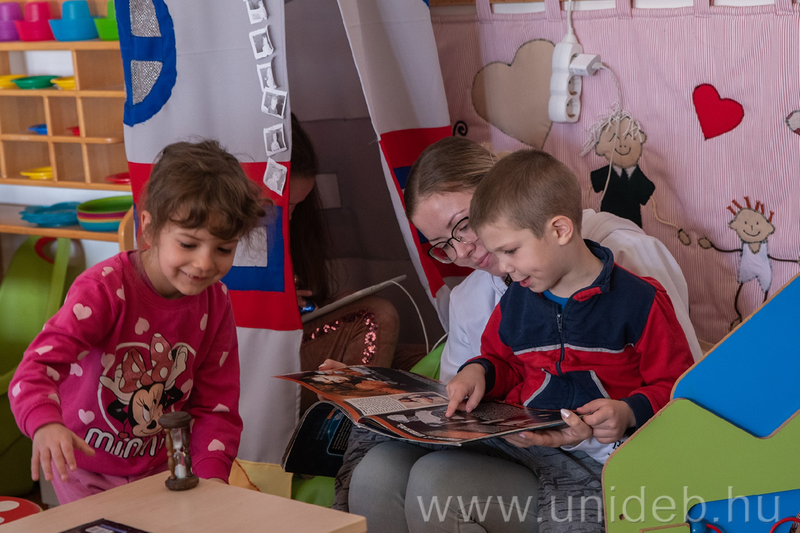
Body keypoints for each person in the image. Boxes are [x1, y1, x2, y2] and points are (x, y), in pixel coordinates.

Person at [337, 138, 701, 532]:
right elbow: (493, 368)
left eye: (463, 224)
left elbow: (684, 388)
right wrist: (472, 375)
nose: (463, 251)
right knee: (376, 470)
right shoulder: (491, 298)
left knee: (435, 483)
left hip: (608, 457)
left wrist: (625, 413)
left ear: (499, 189)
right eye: (443, 245)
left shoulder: (629, 275)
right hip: (522, 445)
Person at [9, 140, 266, 504]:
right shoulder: (103, 290)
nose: (205, 263)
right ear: (149, 227)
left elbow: (215, 407)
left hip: (163, 469)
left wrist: (211, 477)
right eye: (188, 244)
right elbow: (36, 368)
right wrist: (46, 424)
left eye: (224, 249)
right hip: (86, 472)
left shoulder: (216, 303)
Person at [289, 114, 408, 413]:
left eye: (298, 206)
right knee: (374, 317)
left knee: (412, 362)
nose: (290, 216)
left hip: (296, 331)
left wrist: (322, 306)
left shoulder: (297, 226)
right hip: (267, 352)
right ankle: (349, 432)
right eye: (285, 206)